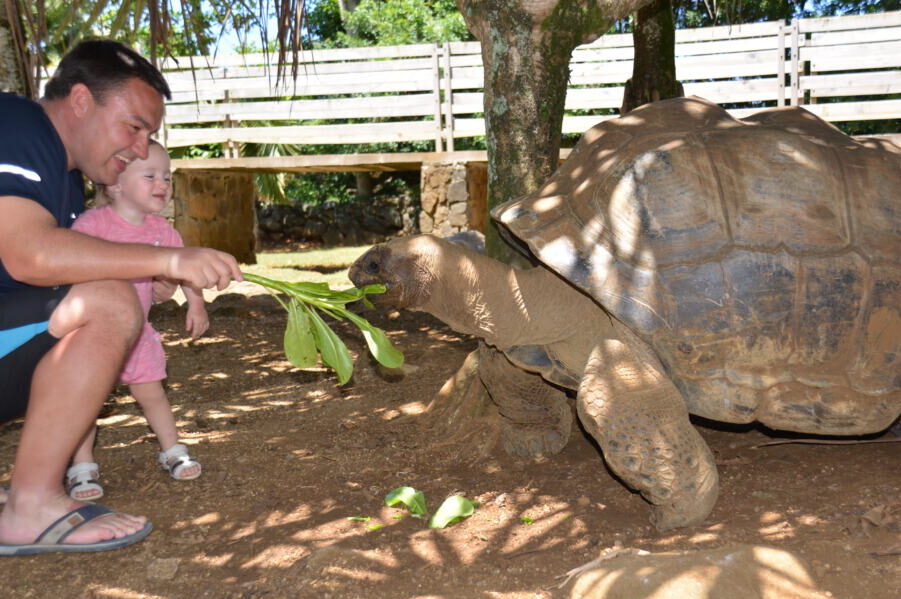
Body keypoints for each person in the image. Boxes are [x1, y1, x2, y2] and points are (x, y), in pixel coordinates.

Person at [0, 40, 242, 555]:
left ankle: (30, 493)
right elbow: (29, 256)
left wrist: (148, 284)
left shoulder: (62, 176)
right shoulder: (15, 126)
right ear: (82, 100)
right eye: (133, 127)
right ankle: (31, 507)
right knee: (107, 302)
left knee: (111, 302)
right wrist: (168, 260)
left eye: (149, 136)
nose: (139, 148)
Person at [66, 140, 206, 502]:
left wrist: (196, 305)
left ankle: (172, 449)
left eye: (167, 177)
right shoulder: (93, 224)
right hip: (92, 334)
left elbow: (188, 270)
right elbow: (70, 265)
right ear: (114, 183)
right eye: (150, 176)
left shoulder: (162, 232)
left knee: (153, 394)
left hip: (139, 333)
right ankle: (81, 467)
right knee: (86, 401)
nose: (162, 183)